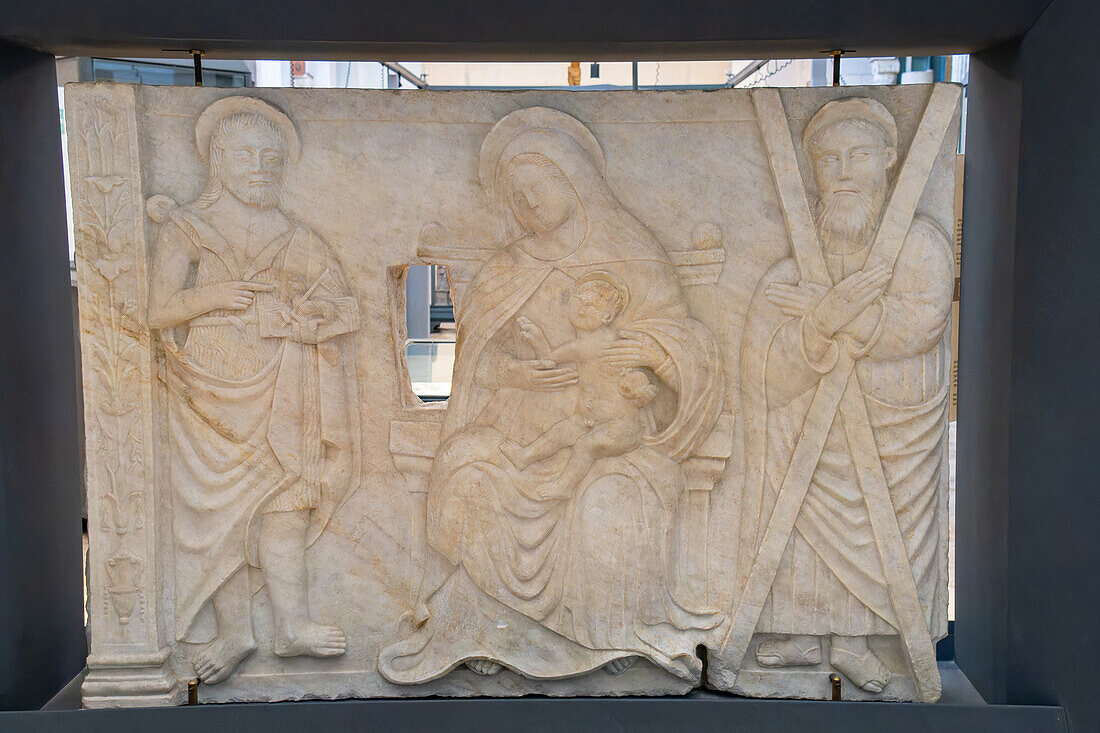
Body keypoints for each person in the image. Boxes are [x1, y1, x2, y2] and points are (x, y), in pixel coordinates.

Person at [379, 107, 724, 684]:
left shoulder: (630, 251)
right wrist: (515, 375)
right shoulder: (503, 269)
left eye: (541, 187)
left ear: (574, 182)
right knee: (467, 469)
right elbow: (473, 364)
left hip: (613, 430)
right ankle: (489, 630)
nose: (531, 204)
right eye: (518, 196)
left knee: (609, 496)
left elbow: (686, 341)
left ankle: (608, 641)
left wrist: (646, 353)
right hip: (518, 423)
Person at [738, 97, 952, 692]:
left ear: (888, 159)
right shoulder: (798, 261)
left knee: (885, 528)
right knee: (793, 481)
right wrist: (815, 324)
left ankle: (858, 639)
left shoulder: (919, 244)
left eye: (857, 156)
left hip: (895, 430)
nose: (842, 171)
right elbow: (766, 356)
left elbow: (921, 323)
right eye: (829, 160)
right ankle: (802, 630)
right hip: (811, 426)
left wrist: (834, 316)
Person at [147, 97, 360, 684]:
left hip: (285, 383)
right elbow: (157, 310)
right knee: (223, 517)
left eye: (270, 156)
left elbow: (345, 308)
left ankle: (291, 627)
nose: (260, 166)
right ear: (217, 160)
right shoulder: (189, 226)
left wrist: (301, 318)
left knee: (286, 500)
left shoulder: (299, 236)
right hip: (212, 387)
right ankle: (236, 631)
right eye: (245, 155)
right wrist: (213, 297)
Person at [500, 271, 659, 501]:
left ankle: (564, 486)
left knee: (586, 445)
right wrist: (535, 337)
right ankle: (525, 456)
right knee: (563, 430)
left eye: (592, 306)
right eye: (579, 302)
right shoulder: (580, 346)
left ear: (606, 317)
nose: (582, 309)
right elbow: (550, 359)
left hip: (622, 426)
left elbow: (638, 373)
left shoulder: (607, 345)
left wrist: (639, 386)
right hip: (589, 418)